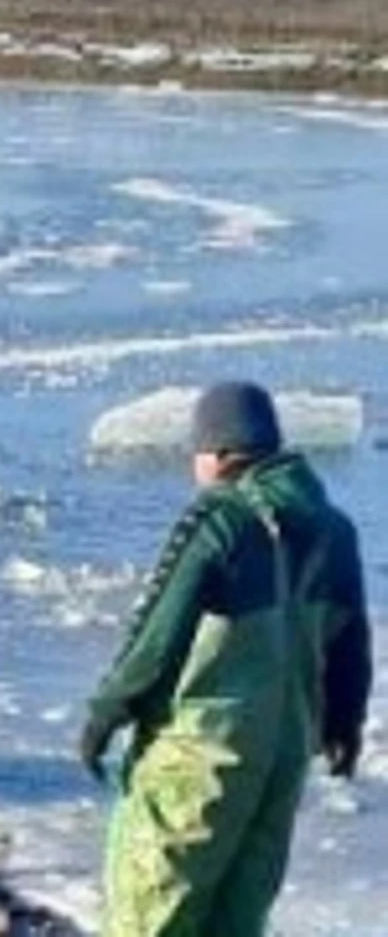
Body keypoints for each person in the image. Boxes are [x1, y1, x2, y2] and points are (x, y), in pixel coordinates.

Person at [81, 381, 373, 937]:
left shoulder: (217, 519)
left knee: (154, 910)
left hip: (202, 753)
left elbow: (158, 631)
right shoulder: (334, 529)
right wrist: (344, 725)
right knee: (238, 914)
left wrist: (107, 711)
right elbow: (350, 643)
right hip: (282, 755)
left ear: (217, 452)